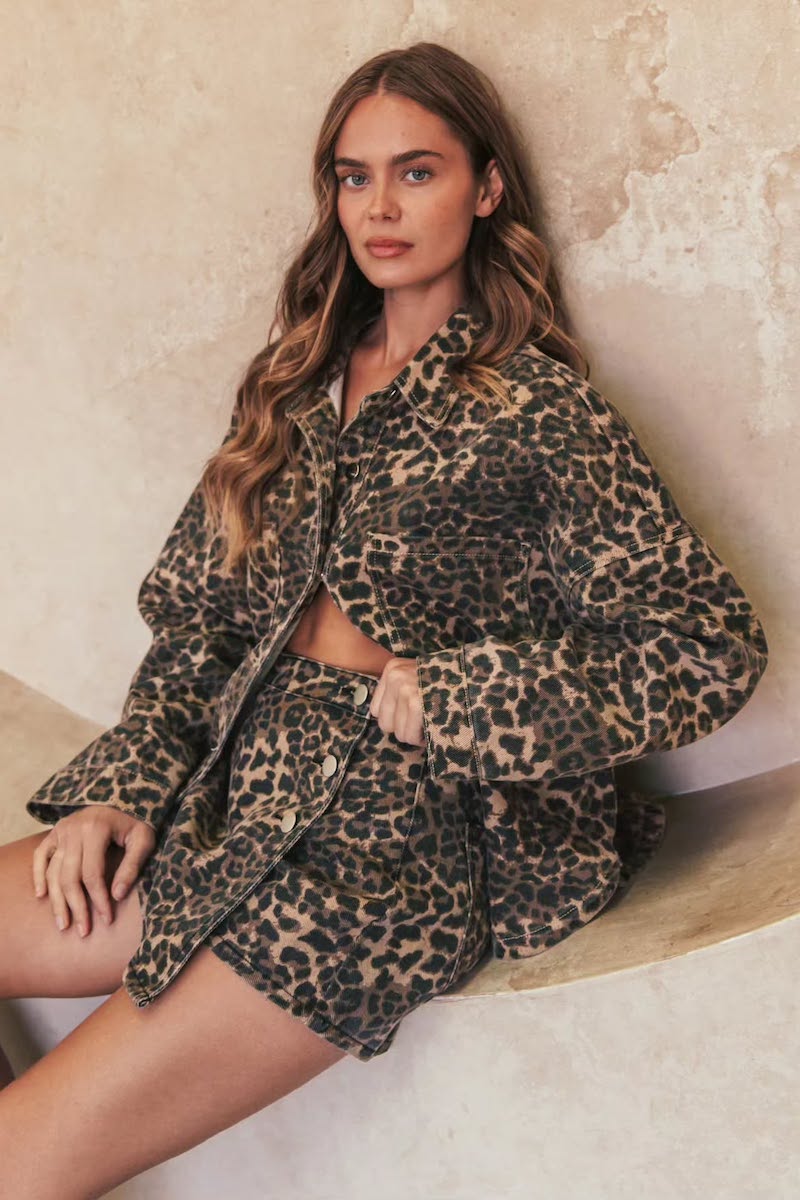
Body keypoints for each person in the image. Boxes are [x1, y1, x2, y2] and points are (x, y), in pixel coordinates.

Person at [0, 40, 768, 1198]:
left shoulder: (533, 408)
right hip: (232, 790)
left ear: (485, 186)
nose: (380, 208)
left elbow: (704, 643)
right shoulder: (296, 386)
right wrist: (122, 791)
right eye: (353, 177)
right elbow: (199, 624)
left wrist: (460, 697)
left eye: (416, 171)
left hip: (382, 858)